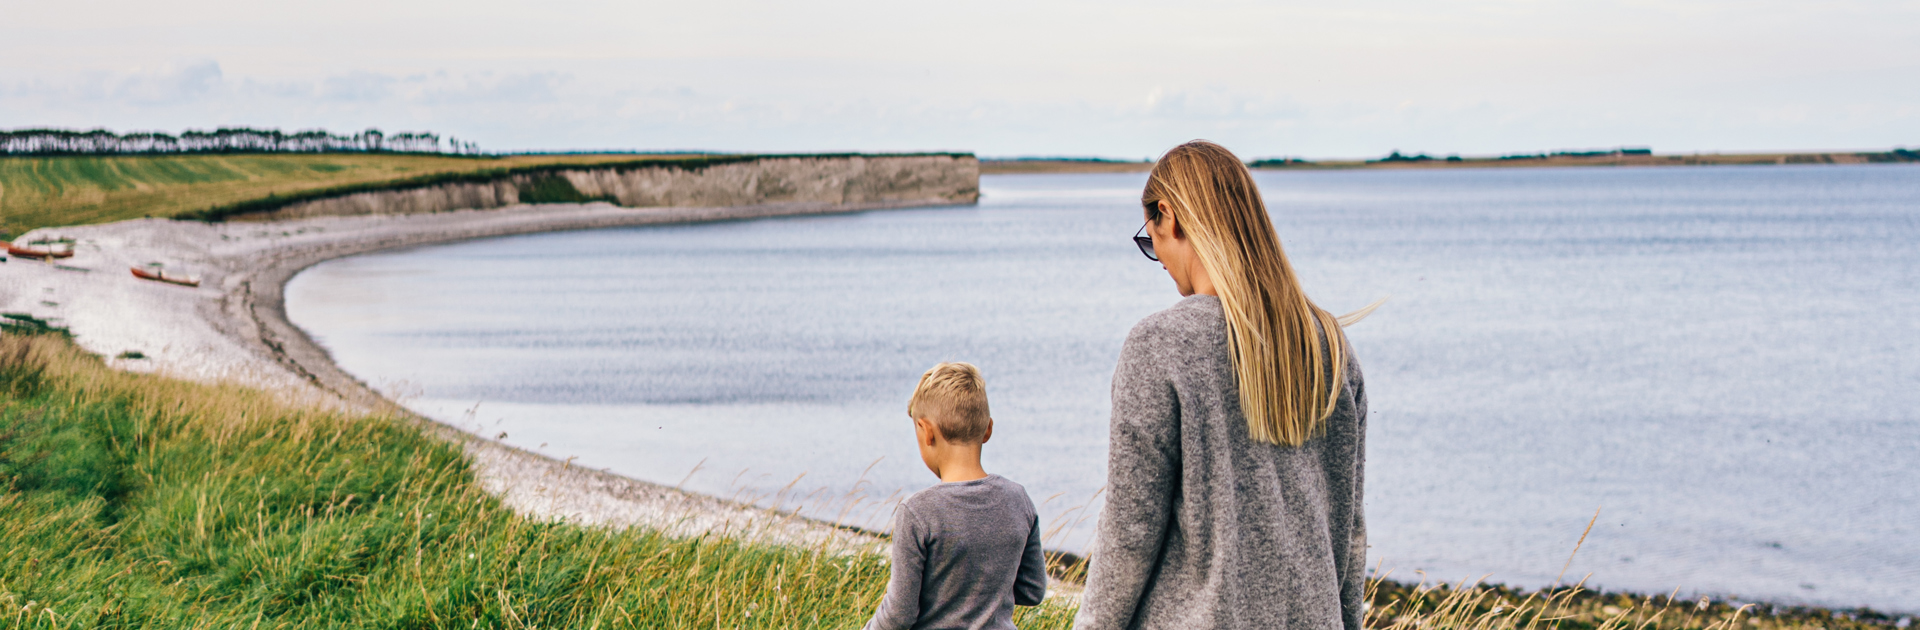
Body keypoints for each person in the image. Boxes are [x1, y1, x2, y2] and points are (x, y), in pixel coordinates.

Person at [1073, 141, 1379, 630]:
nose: (1162, 262)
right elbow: (1347, 531)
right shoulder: (1331, 346)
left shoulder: (1160, 345)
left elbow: (1128, 535)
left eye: (1151, 242)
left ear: (1168, 216)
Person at [863, 361, 1050, 630]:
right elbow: (1032, 590)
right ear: (988, 429)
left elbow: (898, 615)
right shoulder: (1017, 499)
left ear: (927, 432)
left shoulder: (917, 512)